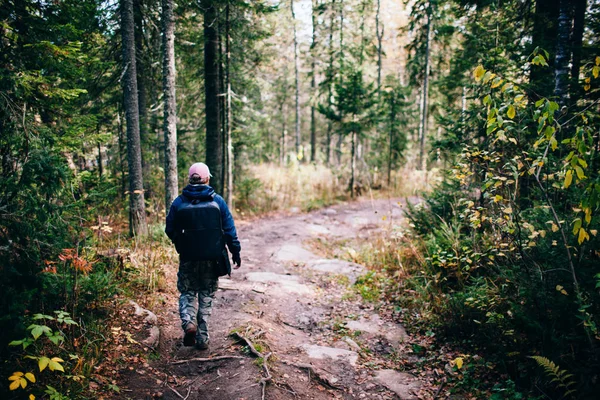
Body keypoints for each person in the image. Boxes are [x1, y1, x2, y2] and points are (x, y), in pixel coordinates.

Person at [165, 162, 241, 350]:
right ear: (206, 179)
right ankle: (202, 338)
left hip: (188, 257)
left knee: (188, 292)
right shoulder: (218, 201)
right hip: (212, 258)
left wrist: (181, 243)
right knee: (207, 294)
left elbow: (169, 229)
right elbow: (229, 230)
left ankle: (189, 323)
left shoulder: (179, 202)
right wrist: (235, 251)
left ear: (190, 179)